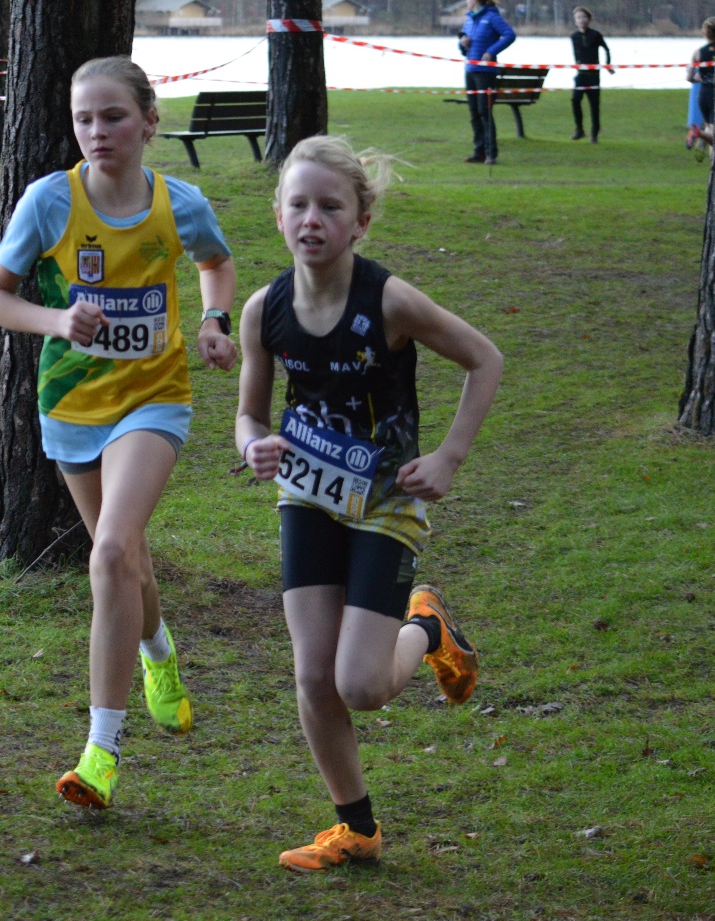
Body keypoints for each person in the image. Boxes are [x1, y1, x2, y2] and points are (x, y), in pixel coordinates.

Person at [234, 136, 503, 871]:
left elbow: (485, 358)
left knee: (363, 684)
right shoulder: (265, 309)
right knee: (313, 674)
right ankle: (356, 826)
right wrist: (253, 442)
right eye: (299, 205)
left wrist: (448, 456)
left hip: (387, 500)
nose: (312, 219)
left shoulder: (387, 299)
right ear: (280, 216)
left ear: (360, 220)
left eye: (330, 205)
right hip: (309, 498)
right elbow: (250, 414)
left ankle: (428, 624)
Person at [0, 56, 238, 810]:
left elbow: (215, 263)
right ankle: (158, 650)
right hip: (70, 405)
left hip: (155, 397)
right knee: (124, 563)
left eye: (113, 116)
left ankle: (100, 749)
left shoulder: (177, 202)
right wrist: (57, 318)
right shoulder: (48, 202)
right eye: (84, 119)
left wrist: (215, 320)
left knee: (114, 549)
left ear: (149, 122)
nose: (97, 132)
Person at [458, 0, 515, 165]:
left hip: (486, 72)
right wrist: (462, 44)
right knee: (474, 112)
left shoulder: (491, 17)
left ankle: (491, 154)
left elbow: (510, 35)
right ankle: (479, 152)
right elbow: (463, 45)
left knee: (484, 111)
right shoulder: (469, 19)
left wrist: (491, 51)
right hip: (470, 70)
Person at [569, 7, 613, 143]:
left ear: (588, 19)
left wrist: (607, 65)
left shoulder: (596, 35)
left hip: (593, 75)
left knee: (594, 105)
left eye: (583, 17)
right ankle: (579, 130)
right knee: (575, 100)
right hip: (580, 75)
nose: (581, 20)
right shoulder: (574, 36)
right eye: (578, 18)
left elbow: (606, 49)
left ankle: (594, 133)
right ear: (575, 21)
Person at [686, 18, 715, 148]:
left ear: (704, 33)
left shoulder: (698, 53)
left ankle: (712, 167)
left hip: (703, 94)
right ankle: (698, 133)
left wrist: (699, 77)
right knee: (711, 133)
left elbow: (690, 78)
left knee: (710, 128)